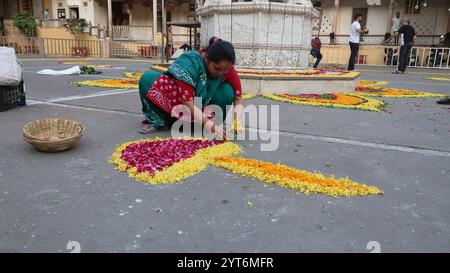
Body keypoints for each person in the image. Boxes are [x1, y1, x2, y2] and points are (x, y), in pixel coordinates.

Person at [138, 40, 241, 140]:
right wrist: (212, 127)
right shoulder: (190, 62)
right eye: (216, 68)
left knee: (227, 91)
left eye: (224, 71)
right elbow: (188, 102)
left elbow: (238, 98)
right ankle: (163, 120)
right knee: (147, 78)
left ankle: (204, 123)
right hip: (180, 102)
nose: (220, 73)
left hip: (203, 107)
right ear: (206, 58)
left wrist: (237, 121)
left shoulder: (225, 67)